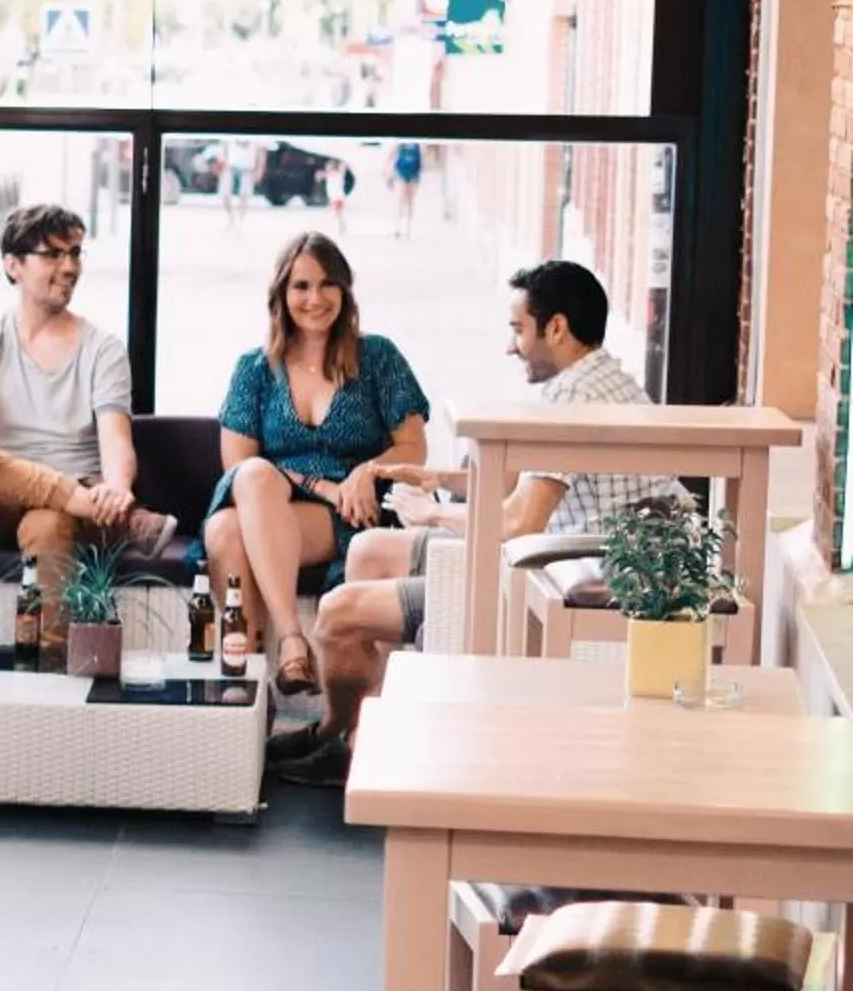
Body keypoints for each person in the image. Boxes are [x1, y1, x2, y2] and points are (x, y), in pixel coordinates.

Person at [289, 261, 677, 783]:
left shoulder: (573, 399)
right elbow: (517, 480)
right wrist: (431, 477)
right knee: (367, 552)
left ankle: (338, 732)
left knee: (336, 614)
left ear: (555, 328)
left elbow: (518, 521)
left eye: (518, 329)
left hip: (554, 568)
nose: (510, 346)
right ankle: (367, 730)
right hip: (560, 550)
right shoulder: (596, 378)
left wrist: (432, 513)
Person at [201, 231, 431, 697]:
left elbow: (413, 448)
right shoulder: (255, 369)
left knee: (228, 531)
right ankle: (287, 644)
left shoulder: (378, 357)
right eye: (301, 286)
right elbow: (238, 466)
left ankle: (246, 685)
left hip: (354, 514)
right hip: (273, 503)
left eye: (328, 284)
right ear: (281, 296)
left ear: (344, 291)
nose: (315, 298)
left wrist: (364, 472)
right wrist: (320, 484)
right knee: (244, 493)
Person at [0, 202, 175, 580]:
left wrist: (117, 490)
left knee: (47, 524)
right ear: (14, 266)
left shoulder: (102, 348)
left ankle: (51, 643)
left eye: (75, 253)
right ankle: (93, 506)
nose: (70, 267)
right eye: (53, 254)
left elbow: (116, 440)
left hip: (63, 512)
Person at [388, 140, 425, 239]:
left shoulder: (418, 145)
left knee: (410, 202)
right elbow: (390, 156)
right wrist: (389, 174)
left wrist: (419, 178)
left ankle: (408, 229)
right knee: (401, 201)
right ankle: (398, 228)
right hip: (401, 174)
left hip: (413, 176)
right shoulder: (400, 143)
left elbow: (421, 162)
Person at [222, 137, 258, 231]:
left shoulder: (255, 140)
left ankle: (241, 220)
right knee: (225, 196)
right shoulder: (228, 139)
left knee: (244, 197)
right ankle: (231, 218)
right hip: (230, 168)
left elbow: (261, 155)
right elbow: (225, 153)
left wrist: (258, 171)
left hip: (247, 169)